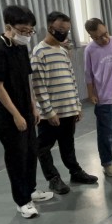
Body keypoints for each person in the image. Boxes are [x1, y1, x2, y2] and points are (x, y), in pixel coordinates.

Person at [0, 5, 53, 219]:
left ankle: (31, 190)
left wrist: (33, 107)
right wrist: (16, 115)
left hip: (26, 109)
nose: (27, 35)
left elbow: (27, 79)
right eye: (23, 30)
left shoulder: (21, 47)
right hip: (9, 115)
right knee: (16, 156)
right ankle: (22, 201)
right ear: (9, 26)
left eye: (30, 31)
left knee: (30, 151)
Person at [31, 11, 98, 195]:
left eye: (67, 30)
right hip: (50, 114)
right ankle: (53, 178)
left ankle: (75, 172)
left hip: (68, 109)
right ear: (50, 27)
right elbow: (38, 86)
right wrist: (49, 111)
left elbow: (71, 79)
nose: (64, 33)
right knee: (43, 148)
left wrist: (76, 105)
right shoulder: (39, 52)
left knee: (68, 144)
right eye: (61, 29)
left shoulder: (62, 51)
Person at [84, 18, 112, 177]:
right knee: (107, 132)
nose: (103, 39)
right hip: (103, 98)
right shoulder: (90, 50)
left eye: (105, 34)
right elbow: (88, 74)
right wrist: (91, 94)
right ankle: (107, 163)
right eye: (97, 37)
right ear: (91, 37)